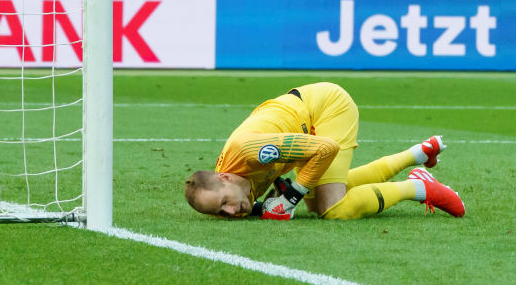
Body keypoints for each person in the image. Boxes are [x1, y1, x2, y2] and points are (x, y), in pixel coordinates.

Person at [184, 83, 465, 220]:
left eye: (224, 203)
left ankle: (419, 187)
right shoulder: (239, 184)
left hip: (327, 110)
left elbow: (325, 149)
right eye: (221, 213)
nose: (232, 212)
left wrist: (292, 195)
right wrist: (278, 199)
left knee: (332, 209)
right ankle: (418, 154)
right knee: (313, 200)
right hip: (305, 124)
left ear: (224, 178)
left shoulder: (249, 152)